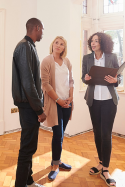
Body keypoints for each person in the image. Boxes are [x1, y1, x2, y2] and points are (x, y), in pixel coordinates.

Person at [12, 18, 47, 187]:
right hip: (29, 106)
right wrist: (39, 109)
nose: (42, 33)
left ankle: (28, 181)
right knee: (27, 147)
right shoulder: (24, 47)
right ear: (37, 28)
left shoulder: (29, 46)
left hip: (29, 105)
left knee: (30, 146)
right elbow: (28, 83)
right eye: (42, 30)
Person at [82, 32, 120, 186]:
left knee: (106, 134)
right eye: (92, 41)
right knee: (97, 132)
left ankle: (105, 169)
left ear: (103, 42)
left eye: (96, 41)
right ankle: (100, 161)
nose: (93, 43)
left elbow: (118, 77)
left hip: (109, 100)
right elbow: (83, 77)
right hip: (94, 100)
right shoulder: (87, 58)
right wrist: (85, 79)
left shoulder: (111, 57)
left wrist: (115, 80)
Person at [40, 36, 74, 181]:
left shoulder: (66, 61)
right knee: (58, 134)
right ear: (52, 45)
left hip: (67, 102)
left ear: (64, 48)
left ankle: (58, 160)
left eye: (62, 44)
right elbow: (45, 84)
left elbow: (71, 80)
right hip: (55, 103)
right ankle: (55, 166)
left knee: (61, 133)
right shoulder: (47, 61)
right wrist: (59, 101)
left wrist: (71, 97)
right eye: (56, 43)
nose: (58, 46)